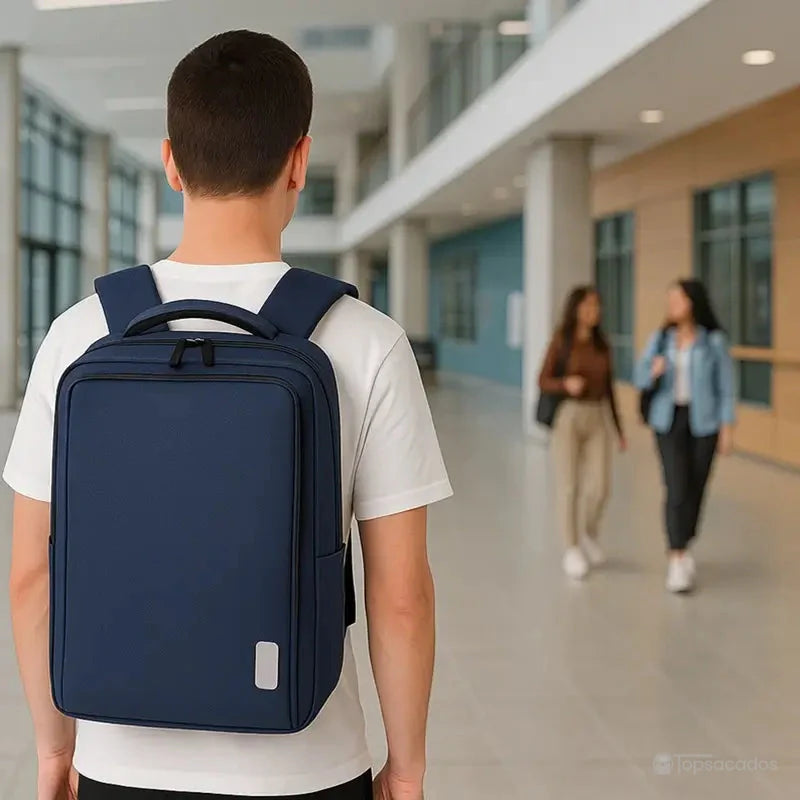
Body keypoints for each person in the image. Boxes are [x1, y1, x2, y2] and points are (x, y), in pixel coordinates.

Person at [5, 31, 452, 800]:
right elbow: (400, 593)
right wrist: (406, 767)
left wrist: (55, 750)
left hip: (119, 762)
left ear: (171, 162)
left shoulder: (80, 334)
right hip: (307, 762)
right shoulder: (367, 341)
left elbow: (30, 575)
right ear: (299, 161)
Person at [635, 279, 735, 594]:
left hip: (703, 423)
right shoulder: (660, 339)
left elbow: (726, 388)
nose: (671, 305)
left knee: (695, 488)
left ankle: (685, 542)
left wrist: (727, 428)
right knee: (676, 486)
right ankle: (676, 556)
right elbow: (638, 375)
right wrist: (653, 371)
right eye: (670, 300)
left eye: (677, 300)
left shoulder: (713, 342)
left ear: (692, 302)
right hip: (668, 420)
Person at [539, 286, 626, 580]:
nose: (594, 311)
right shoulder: (562, 341)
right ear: (575, 309)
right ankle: (572, 547)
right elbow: (543, 380)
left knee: (601, 486)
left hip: (597, 415)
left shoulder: (602, 345)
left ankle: (589, 533)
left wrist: (619, 428)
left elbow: (610, 388)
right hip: (568, 416)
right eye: (588, 305)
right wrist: (565, 383)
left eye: (597, 306)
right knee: (569, 486)